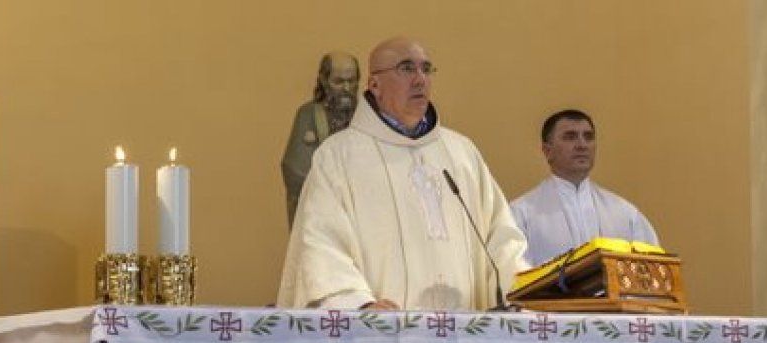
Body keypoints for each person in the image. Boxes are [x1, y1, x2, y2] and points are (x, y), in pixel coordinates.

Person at [276, 37, 527, 311]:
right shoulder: (338, 156)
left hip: (464, 331)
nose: (420, 80)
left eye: (426, 69)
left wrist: (520, 292)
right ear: (374, 85)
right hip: (381, 332)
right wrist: (359, 305)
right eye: (406, 69)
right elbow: (321, 242)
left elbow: (502, 239)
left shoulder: (461, 153)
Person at [510, 109, 659, 267]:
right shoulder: (521, 215)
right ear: (547, 151)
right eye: (570, 137)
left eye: (588, 137)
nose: (582, 145)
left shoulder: (625, 213)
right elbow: (515, 274)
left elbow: (652, 269)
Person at [280, 52, 361, 227]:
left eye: (352, 81)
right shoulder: (308, 115)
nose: (346, 88)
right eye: (338, 82)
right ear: (324, 81)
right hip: (323, 212)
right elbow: (295, 170)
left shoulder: (365, 115)